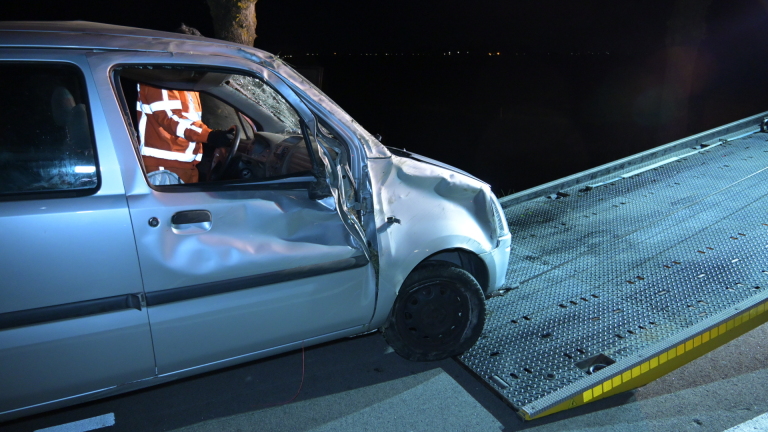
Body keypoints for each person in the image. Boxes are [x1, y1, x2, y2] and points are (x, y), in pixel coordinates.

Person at [136, 83, 232, 183]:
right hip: (164, 168)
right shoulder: (161, 79)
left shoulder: (184, 84)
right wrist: (209, 135)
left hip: (185, 166)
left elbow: (189, 121)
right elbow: (171, 118)